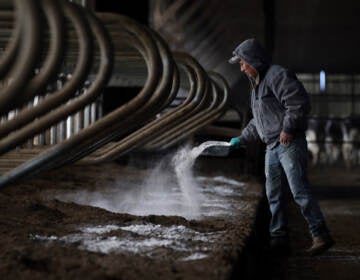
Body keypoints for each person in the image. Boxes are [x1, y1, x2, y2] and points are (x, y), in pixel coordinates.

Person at [228, 38, 334, 256]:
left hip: (288, 142)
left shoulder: (277, 75)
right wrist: (242, 138)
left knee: (299, 191)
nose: (241, 67)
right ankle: (279, 240)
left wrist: (287, 129)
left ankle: (320, 234)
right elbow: (258, 121)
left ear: (252, 60)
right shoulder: (255, 87)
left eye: (242, 63)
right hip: (272, 147)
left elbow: (298, 102)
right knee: (273, 194)